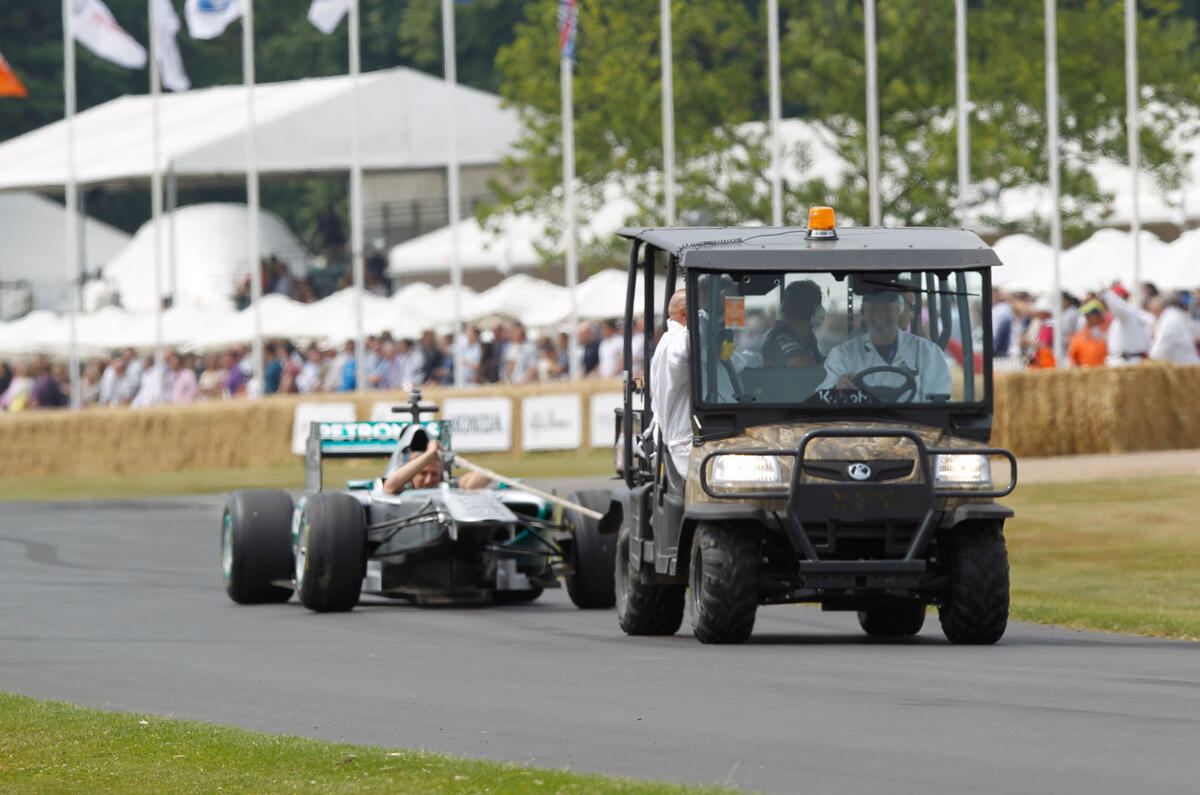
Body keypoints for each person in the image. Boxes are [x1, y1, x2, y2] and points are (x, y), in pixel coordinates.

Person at [818, 283, 952, 402]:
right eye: (873, 310)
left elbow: (940, 398)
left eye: (887, 309)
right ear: (863, 314)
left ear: (898, 311)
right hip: (857, 427)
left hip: (913, 426)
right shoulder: (842, 354)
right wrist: (837, 389)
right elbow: (822, 399)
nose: (880, 315)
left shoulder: (927, 351)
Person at [649, 289, 691, 475]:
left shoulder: (671, 340)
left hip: (686, 437)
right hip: (684, 442)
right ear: (684, 313)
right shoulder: (676, 341)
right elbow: (680, 356)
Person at [381, 439, 489, 495]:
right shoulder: (404, 487)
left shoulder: (445, 485)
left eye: (434, 474)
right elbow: (389, 487)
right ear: (411, 475)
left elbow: (484, 475)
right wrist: (430, 454)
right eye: (423, 473)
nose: (428, 480)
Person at [762, 280, 825, 368]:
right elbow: (799, 363)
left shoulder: (808, 337)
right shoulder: (781, 337)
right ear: (813, 310)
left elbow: (819, 360)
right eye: (818, 305)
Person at [1101, 283, 1152, 365]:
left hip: (1126, 362)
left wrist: (1106, 293)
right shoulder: (1127, 314)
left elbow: (1115, 305)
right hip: (1124, 361)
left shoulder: (1126, 313)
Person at [1148, 292, 1200, 364]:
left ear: (1160, 306)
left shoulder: (1170, 320)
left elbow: (1159, 349)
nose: (1150, 307)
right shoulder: (1167, 317)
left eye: (1152, 304)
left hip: (1185, 368)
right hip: (1179, 366)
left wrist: (1148, 362)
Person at [1067, 300, 1108, 367]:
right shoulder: (1079, 336)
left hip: (1104, 373)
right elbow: (1072, 359)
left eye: (1089, 314)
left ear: (1098, 316)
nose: (1087, 317)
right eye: (1086, 315)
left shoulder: (1108, 334)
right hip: (1085, 374)